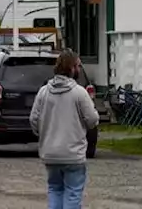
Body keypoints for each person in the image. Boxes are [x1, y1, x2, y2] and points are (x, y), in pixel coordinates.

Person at [30, 50, 99, 209]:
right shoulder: (79, 93)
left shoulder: (44, 92)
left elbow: (33, 119)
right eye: (78, 66)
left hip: (50, 153)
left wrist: (44, 133)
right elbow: (92, 119)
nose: (80, 70)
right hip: (73, 154)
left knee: (55, 189)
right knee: (73, 192)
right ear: (72, 68)